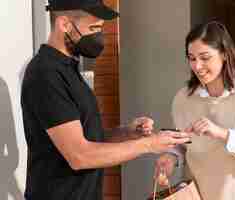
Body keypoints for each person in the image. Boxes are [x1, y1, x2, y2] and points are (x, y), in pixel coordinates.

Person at [21, 0, 191, 200]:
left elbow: (86, 137)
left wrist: (126, 133)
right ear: (64, 24)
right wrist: (149, 145)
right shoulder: (46, 75)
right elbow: (80, 155)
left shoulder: (69, 70)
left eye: (100, 29)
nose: (99, 37)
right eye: (93, 28)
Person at [155, 21, 235, 200]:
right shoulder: (183, 99)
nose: (197, 66)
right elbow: (184, 141)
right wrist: (172, 156)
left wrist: (223, 134)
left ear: (224, 54)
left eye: (205, 57)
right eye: (192, 58)